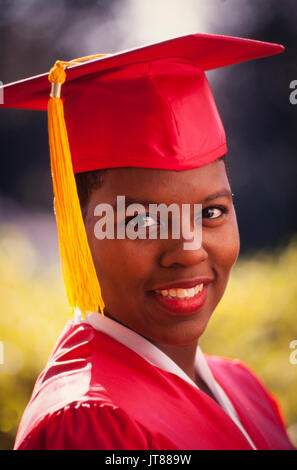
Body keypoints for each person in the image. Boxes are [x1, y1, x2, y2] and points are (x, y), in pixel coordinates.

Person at [1, 33, 295, 450]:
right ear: (76, 230)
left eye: (211, 212)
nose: (189, 249)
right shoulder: (90, 424)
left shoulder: (243, 387)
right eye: (141, 221)